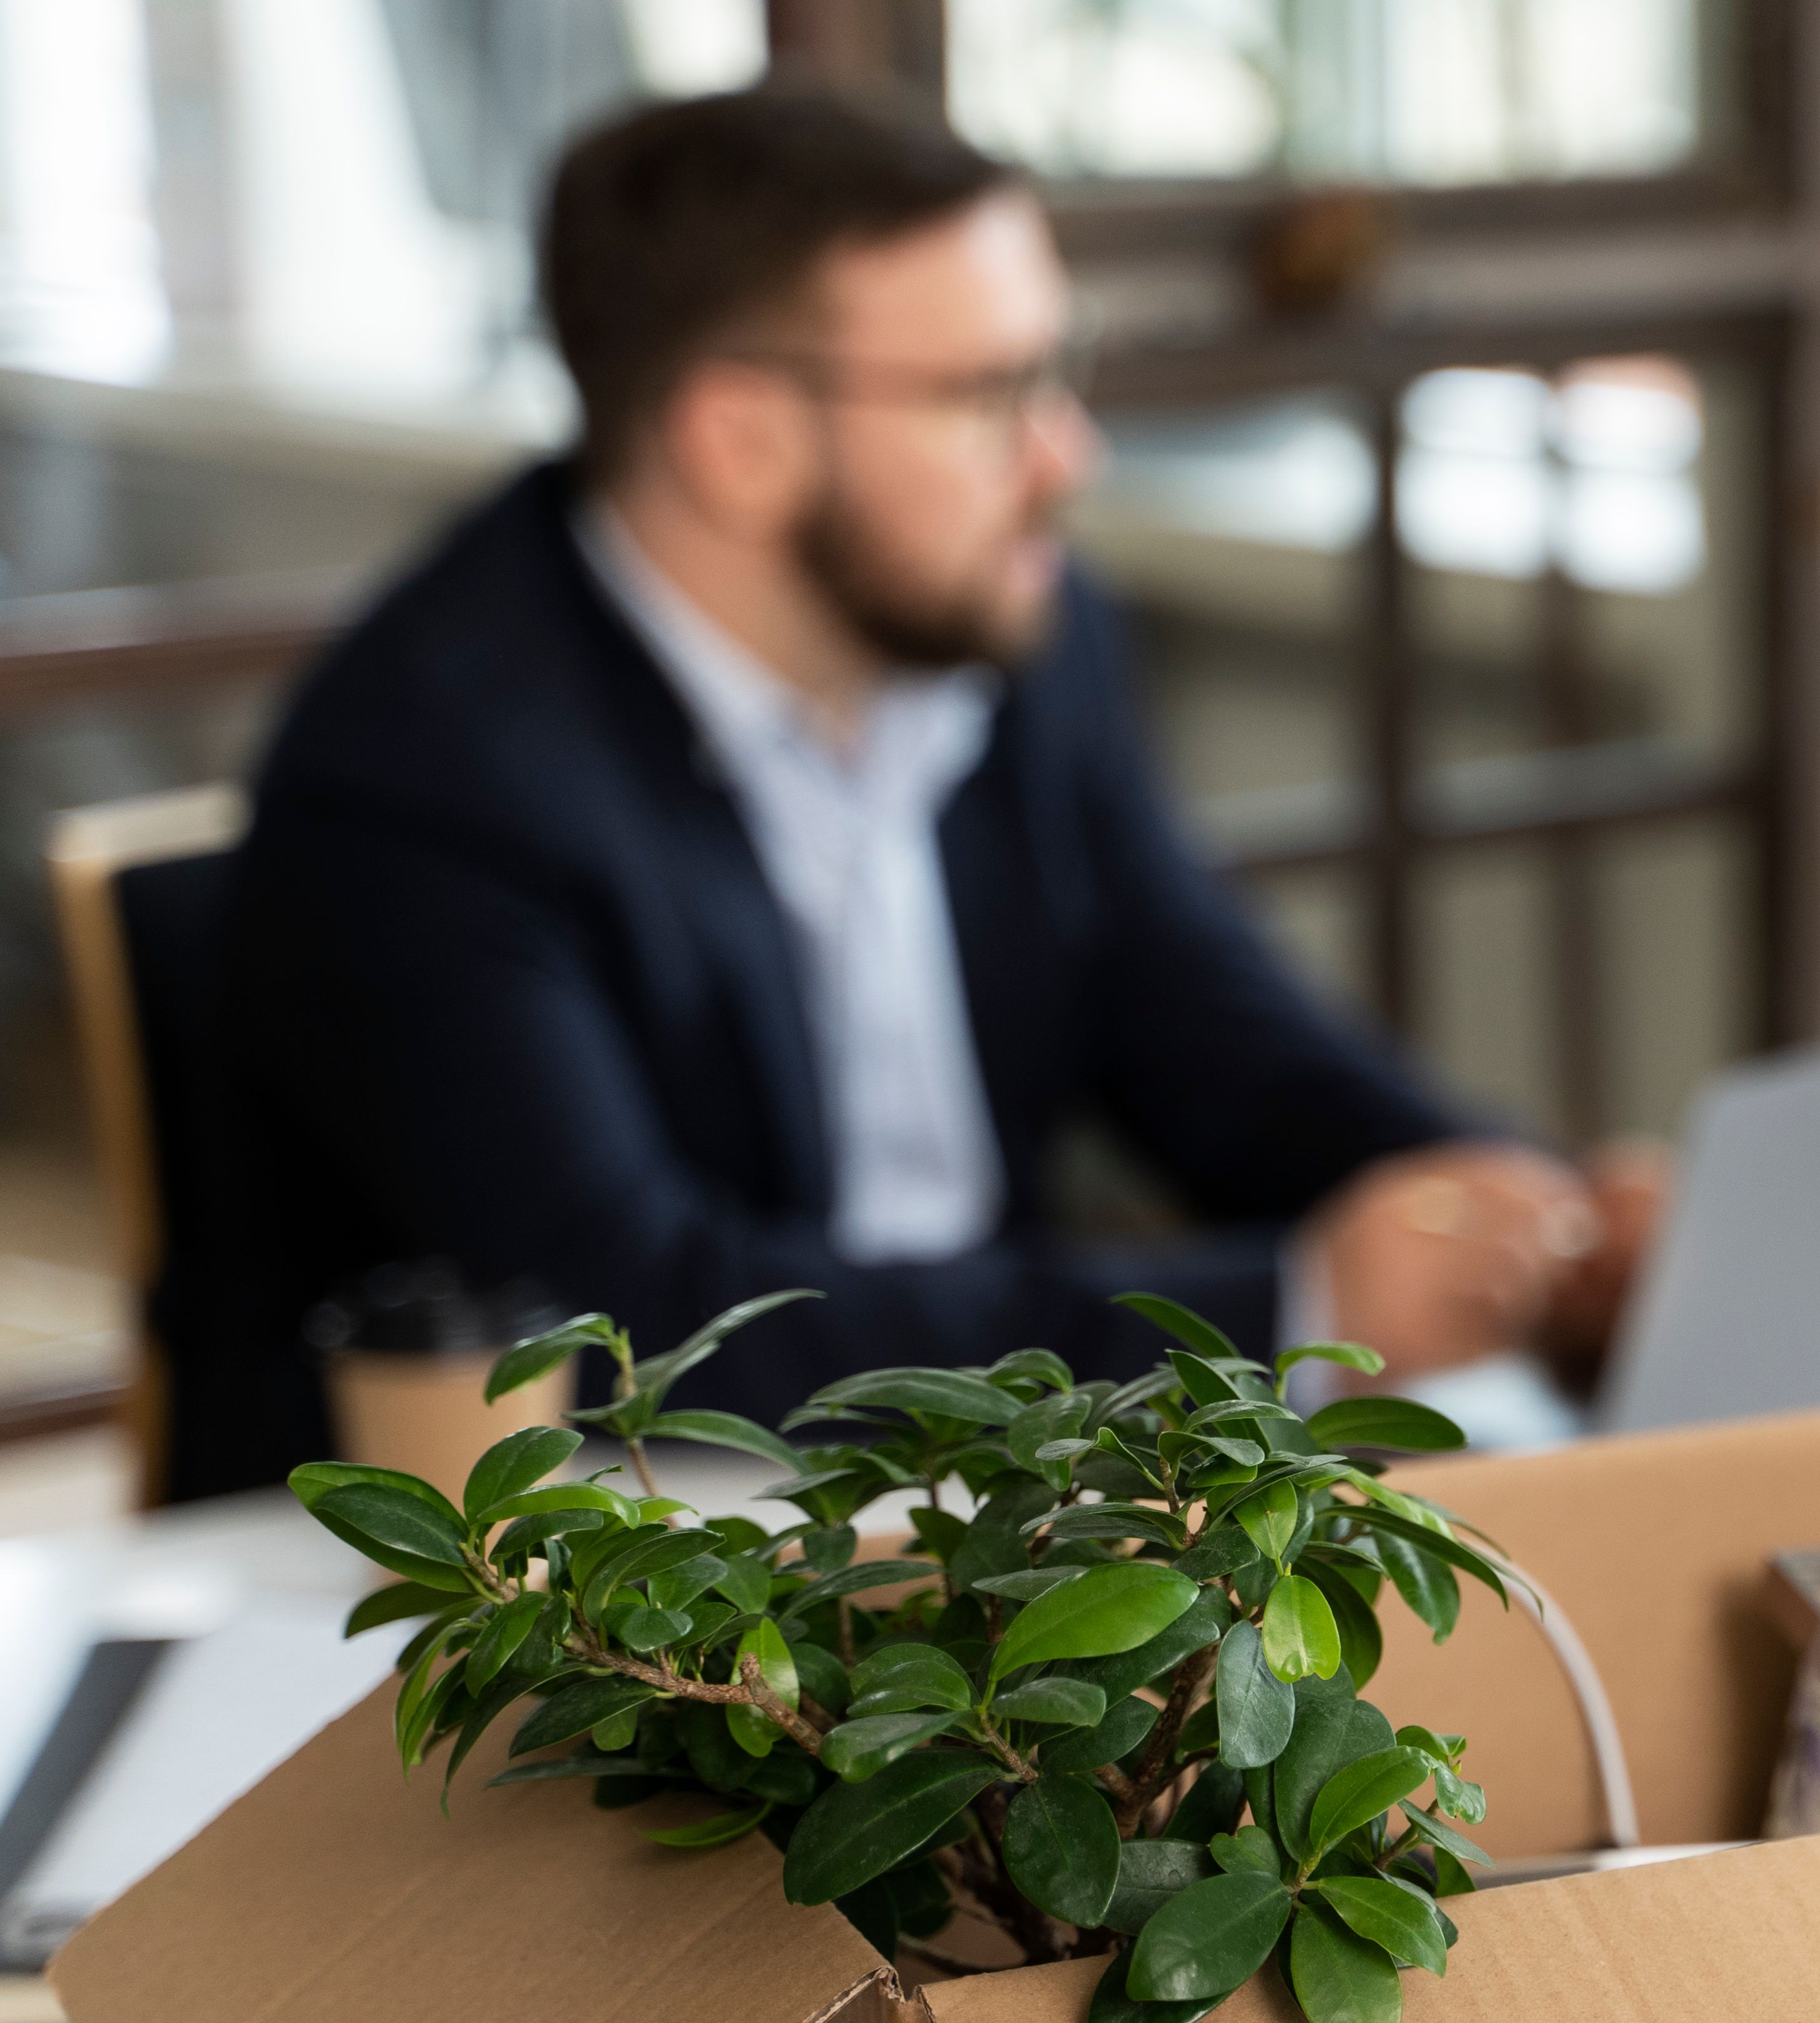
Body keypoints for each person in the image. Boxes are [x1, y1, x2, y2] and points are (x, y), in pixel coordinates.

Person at [198, 85, 1652, 1492]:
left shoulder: (1022, 632)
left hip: (967, 1516)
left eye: (1056, 371)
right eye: (989, 394)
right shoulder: (424, 774)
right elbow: (627, 1318)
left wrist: (1533, 1219)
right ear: (741, 439)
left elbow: (1213, 1032)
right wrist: (1289, 1305)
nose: (1064, 454)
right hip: (523, 1596)